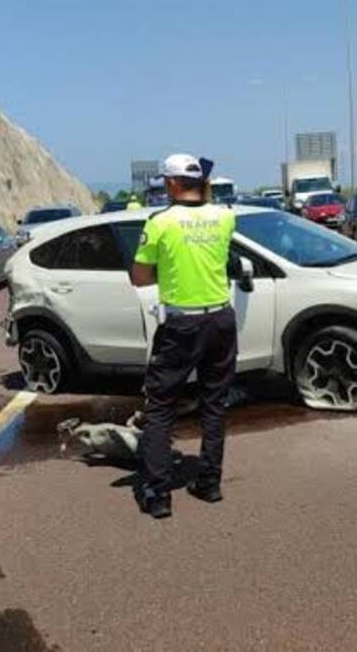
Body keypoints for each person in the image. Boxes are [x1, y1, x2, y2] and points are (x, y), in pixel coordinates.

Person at [129, 153, 237, 519]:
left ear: (171, 183)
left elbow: (139, 277)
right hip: (221, 320)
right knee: (215, 403)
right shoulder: (225, 217)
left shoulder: (160, 222)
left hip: (181, 325)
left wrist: (169, 274)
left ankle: (158, 494)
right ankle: (209, 483)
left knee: (160, 407)